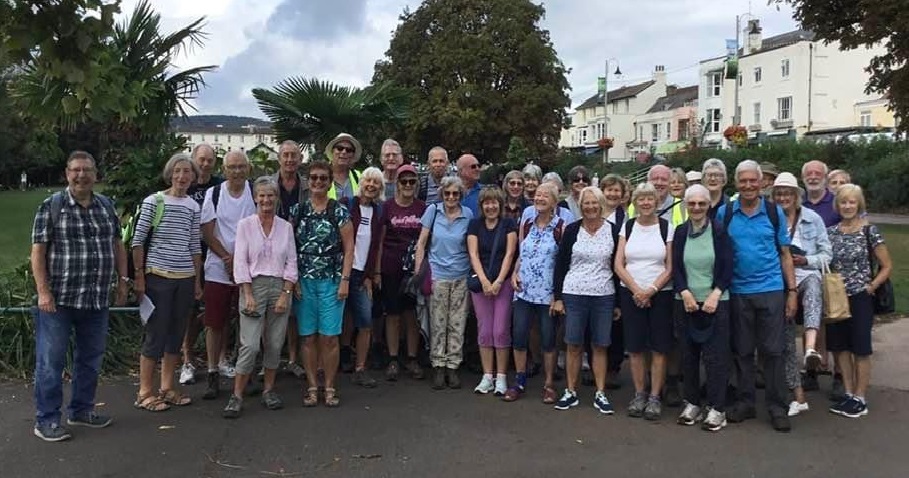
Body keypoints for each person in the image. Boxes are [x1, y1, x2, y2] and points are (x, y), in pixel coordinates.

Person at [31, 151, 128, 442]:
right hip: (58, 301)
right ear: (67, 173)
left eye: (87, 170)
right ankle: (47, 420)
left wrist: (123, 282)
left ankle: (82, 410)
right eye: (76, 170)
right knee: (51, 363)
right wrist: (43, 291)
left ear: (95, 175)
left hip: (95, 300)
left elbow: (117, 244)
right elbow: (38, 251)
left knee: (90, 359)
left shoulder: (106, 206)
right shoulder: (52, 206)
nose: (81, 175)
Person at [715, 160, 798, 433]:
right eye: (743, 181)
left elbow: (785, 255)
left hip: (771, 289)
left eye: (753, 180)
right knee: (742, 351)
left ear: (762, 183)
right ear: (736, 183)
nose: (748, 185)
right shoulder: (726, 213)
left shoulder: (774, 213)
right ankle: (745, 402)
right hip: (737, 291)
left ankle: (777, 407)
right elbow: (718, 253)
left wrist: (792, 291)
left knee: (773, 351)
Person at [131, 153, 203, 413]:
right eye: (178, 171)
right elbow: (138, 240)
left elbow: (194, 245)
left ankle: (167, 387)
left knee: (176, 334)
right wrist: (140, 276)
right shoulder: (154, 201)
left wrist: (197, 280)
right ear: (170, 174)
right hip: (158, 276)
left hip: (184, 277)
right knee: (156, 333)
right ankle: (144, 392)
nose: (182, 176)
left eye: (187, 172)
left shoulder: (193, 206)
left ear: (193, 177)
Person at [222, 177, 298, 418]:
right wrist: (247, 293)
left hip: (279, 286)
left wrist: (286, 292)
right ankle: (237, 395)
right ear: (255, 197)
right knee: (250, 344)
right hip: (253, 286)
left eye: (271, 195)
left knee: (274, 343)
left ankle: (269, 390)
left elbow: (292, 262)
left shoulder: (285, 227)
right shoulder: (245, 225)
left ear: (277, 198)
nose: (266, 200)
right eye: (262, 195)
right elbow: (240, 261)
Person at [551, 186, 619, 414]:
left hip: (604, 295)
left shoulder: (613, 231)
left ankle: (600, 393)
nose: (590, 207)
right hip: (574, 293)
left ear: (601, 205)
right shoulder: (572, 230)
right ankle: (571, 391)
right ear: (580, 206)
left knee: (600, 345)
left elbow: (618, 267)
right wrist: (558, 297)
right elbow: (561, 264)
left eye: (594, 203)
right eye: (586, 203)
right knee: (573, 344)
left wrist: (618, 303)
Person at [671, 184, 733, 432]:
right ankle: (692, 403)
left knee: (715, 357)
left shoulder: (719, 231)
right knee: (688, 356)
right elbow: (675, 266)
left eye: (701, 203)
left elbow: (728, 266)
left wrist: (715, 294)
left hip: (716, 301)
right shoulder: (680, 232)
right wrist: (684, 292)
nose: (696, 208)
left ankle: (717, 408)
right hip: (685, 301)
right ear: (686, 205)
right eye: (692, 203)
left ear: (709, 205)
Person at [292, 160, 355, 407]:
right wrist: (293, 280)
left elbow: (349, 248)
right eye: (314, 178)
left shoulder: (339, 211)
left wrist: (345, 280)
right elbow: (289, 248)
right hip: (304, 281)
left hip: (331, 280)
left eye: (323, 178)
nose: (318, 182)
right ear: (308, 181)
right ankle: (311, 386)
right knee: (308, 336)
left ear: (329, 183)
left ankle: (329, 386)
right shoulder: (298, 211)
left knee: (329, 337)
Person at [827, 184, 892, 418]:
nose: (847, 206)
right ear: (837, 205)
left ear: (859, 204)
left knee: (861, 348)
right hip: (837, 298)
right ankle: (848, 392)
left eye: (852, 202)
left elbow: (886, 265)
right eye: (843, 202)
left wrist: (871, 286)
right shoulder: (831, 232)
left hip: (860, 296)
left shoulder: (869, 231)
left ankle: (860, 397)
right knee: (840, 348)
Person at [771, 172, 832, 416]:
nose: (783, 198)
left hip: (806, 274)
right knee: (785, 341)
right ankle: (798, 396)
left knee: (814, 285)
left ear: (796, 195)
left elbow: (827, 254)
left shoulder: (812, 219)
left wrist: (805, 260)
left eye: (788, 193)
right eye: (779, 193)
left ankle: (810, 347)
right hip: (778, 281)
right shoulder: (769, 218)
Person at [614, 182, 675, 420]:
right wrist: (636, 290)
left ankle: (655, 397)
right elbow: (619, 264)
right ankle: (639, 394)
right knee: (636, 347)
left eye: (650, 198)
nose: (646, 202)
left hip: (660, 294)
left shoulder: (666, 227)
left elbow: (670, 267)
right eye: (641, 199)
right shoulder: (628, 227)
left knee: (659, 347)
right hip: (631, 293)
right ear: (635, 202)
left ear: (656, 201)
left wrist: (650, 291)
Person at [200, 151, 258, 400]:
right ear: (224, 170)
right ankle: (213, 372)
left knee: (248, 322)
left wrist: (241, 261)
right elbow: (207, 232)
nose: (237, 171)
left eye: (241, 166)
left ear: (248, 168)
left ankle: (247, 372)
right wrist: (227, 258)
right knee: (214, 323)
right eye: (232, 167)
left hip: (250, 268)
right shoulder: (214, 194)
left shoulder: (254, 192)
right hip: (218, 268)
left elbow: (261, 227)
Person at [505, 182, 564, 403]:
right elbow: (522, 253)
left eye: (545, 196)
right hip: (524, 291)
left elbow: (563, 263)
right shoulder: (527, 223)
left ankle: (548, 384)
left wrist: (559, 296)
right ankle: (519, 380)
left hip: (547, 294)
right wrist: (514, 273)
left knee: (548, 339)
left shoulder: (561, 227)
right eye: (538, 195)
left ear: (554, 201)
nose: (539, 198)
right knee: (520, 335)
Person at [415, 176, 474, 389]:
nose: (451, 197)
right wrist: (418, 272)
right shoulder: (433, 211)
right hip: (437, 274)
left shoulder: (468, 215)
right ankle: (438, 365)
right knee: (438, 323)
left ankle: (453, 366)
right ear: (442, 194)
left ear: (461, 195)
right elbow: (421, 243)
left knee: (457, 323)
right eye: (447, 193)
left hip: (461, 275)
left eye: (455, 193)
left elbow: (471, 246)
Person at [377, 164, 427, 380]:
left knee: (411, 313)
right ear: (396, 184)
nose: (408, 185)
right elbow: (380, 241)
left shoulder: (423, 208)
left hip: (413, 270)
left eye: (411, 181)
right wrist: (377, 271)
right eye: (403, 181)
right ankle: (393, 358)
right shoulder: (387, 207)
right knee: (393, 313)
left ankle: (412, 357)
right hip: (390, 267)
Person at [179, 143, 223, 386]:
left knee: (219, 310)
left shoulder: (219, 186)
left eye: (209, 160)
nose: (205, 164)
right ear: (193, 159)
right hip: (189, 256)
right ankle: (187, 359)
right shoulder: (186, 184)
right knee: (190, 310)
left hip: (216, 255)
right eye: (201, 159)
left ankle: (220, 358)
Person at [467, 187, 517, 395]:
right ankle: (487, 375)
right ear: (481, 205)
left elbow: (510, 254)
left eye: (494, 202)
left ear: (500, 204)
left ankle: (501, 377)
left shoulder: (509, 224)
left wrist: (498, 281)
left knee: (500, 330)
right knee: (485, 330)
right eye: (486, 203)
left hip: (502, 284)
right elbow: (473, 254)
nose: (490, 206)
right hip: (482, 284)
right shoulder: (474, 225)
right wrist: (485, 281)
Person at [340, 167, 385, 388]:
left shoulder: (378, 212)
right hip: (343, 272)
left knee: (365, 321)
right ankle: (341, 358)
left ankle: (360, 368)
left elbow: (377, 246)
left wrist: (374, 273)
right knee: (341, 319)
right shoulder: (347, 205)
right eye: (368, 180)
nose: (371, 185)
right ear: (361, 183)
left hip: (363, 275)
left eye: (376, 182)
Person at [269, 140, 308, 379]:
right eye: (286, 155)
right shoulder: (267, 184)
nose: (290, 159)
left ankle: (293, 359)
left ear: (300, 160)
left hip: (300, 250)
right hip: (271, 251)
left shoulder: (307, 186)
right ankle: (269, 360)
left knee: (294, 310)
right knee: (270, 307)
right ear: (279, 158)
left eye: (294, 155)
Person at [600, 173, 627, 389]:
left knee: (616, 324)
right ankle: (596, 366)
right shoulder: (593, 212)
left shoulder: (625, 218)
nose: (612, 194)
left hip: (619, 273)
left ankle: (613, 368)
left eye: (617, 190)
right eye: (609, 189)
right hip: (596, 274)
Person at [802, 160, 841, 227]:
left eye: (818, 174)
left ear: (826, 177)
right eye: (809, 174)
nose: (813, 177)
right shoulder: (797, 203)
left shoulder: (838, 202)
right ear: (803, 177)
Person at [326, 133, 363, 202]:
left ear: (353, 155)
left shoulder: (360, 177)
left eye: (349, 150)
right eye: (339, 148)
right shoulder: (320, 176)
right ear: (332, 151)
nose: (344, 152)